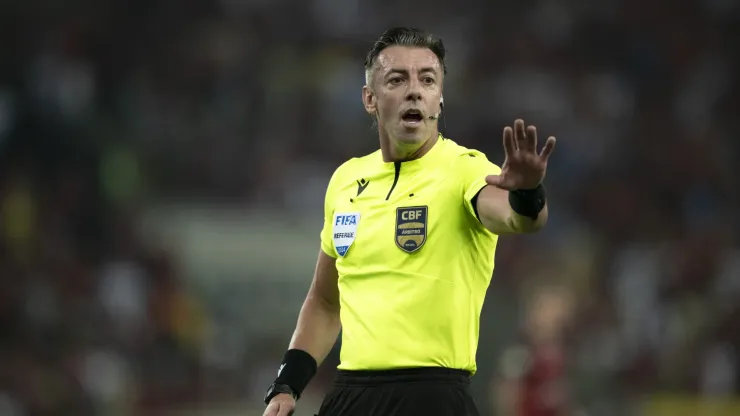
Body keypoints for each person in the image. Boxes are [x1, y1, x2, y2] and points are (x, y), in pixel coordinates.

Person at [262, 26, 557, 416]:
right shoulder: (346, 180)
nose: (414, 90)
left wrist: (527, 192)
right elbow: (325, 300)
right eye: (397, 79)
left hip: (432, 396)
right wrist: (287, 384)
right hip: (350, 395)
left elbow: (521, 220)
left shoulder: (465, 170)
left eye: (428, 80)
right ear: (370, 98)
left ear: (439, 100)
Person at [493, 287, 574, 416]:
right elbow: (507, 396)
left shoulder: (560, 353)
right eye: (547, 310)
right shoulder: (521, 352)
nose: (554, 317)